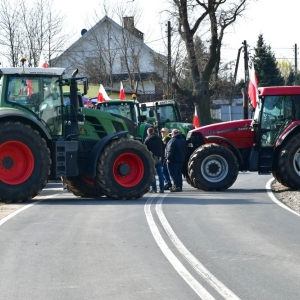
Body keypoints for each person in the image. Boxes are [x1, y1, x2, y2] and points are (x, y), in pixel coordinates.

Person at [144, 127, 165, 193]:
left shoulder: (147, 140)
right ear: (153, 131)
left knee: (152, 174)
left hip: (151, 158)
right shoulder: (159, 139)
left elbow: (145, 150)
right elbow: (163, 147)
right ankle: (162, 188)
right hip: (159, 157)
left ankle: (154, 188)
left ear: (148, 132)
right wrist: (162, 156)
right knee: (160, 173)